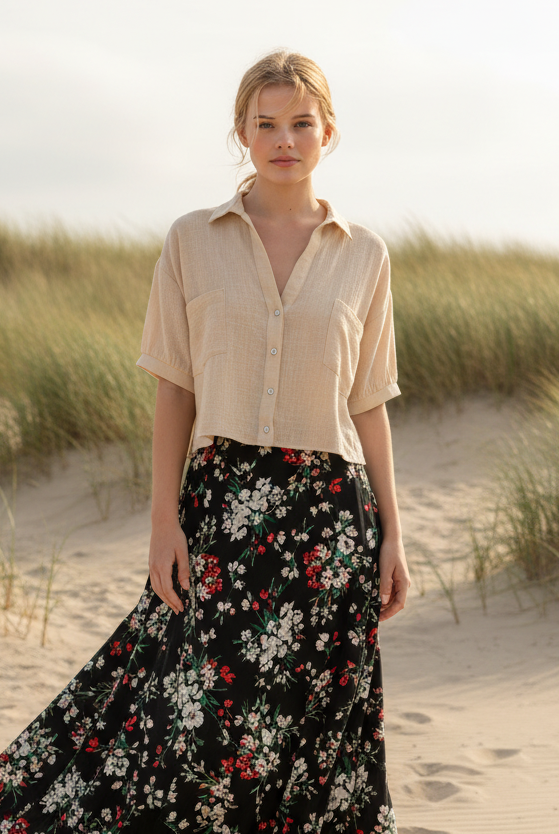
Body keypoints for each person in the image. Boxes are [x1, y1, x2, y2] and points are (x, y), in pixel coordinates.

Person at [0, 49, 410, 833]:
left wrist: (395, 534)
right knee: (200, 710)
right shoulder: (193, 239)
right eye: (265, 124)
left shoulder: (365, 255)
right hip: (220, 506)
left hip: (330, 518)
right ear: (241, 132)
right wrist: (163, 520)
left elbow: (368, 405)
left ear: (328, 132)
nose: (283, 139)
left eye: (299, 123)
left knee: (309, 712)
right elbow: (175, 389)